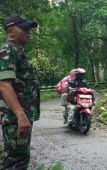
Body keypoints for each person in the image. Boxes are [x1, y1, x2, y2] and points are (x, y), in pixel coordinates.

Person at [0, 14, 39, 169]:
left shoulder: (18, 50)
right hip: (15, 117)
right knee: (15, 159)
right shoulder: (9, 50)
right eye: (24, 28)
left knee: (20, 157)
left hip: (20, 117)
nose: (28, 31)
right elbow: (4, 84)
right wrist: (20, 115)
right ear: (11, 31)